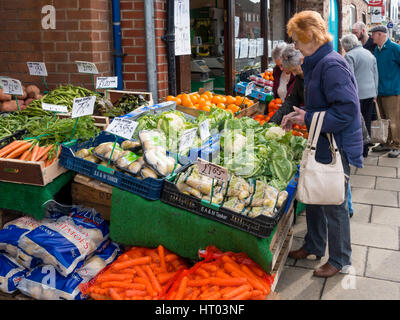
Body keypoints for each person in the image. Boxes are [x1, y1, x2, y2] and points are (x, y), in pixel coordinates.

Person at [282, 10, 363, 278]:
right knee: (315, 195)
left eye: (295, 38)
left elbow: (347, 110)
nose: (293, 44)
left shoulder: (330, 64)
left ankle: (339, 259)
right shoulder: (317, 63)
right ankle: (314, 245)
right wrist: (301, 115)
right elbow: (323, 104)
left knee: (334, 203)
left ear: (309, 35)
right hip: (324, 140)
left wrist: (309, 117)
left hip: (336, 145)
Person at [341, 33, 378, 158]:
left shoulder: (349, 56)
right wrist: (375, 93)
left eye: (343, 46)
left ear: (347, 46)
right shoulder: (369, 53)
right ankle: (365, 149)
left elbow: (350, 78)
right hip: (370, 93)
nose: (343, 49)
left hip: (357, 95)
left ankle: (356, 149)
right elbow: (375, 75)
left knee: (356, 122)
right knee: (366, 120)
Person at [370, 25, 400, 158]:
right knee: (383, 119)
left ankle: (397, 145)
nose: (371, 37)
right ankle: (387, 143)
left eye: (373, 34)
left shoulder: (395, 48)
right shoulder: (377, 49)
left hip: (393, 91)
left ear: (381, 34)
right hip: (379, 91)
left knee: (394, 120)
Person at [269, 44, 304, 125]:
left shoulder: (318, 73)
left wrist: (306, 115)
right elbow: (291, 101)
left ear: (302, 60)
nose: (294, 74)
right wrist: (272, 123)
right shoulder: (299, 76)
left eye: (295, 70)